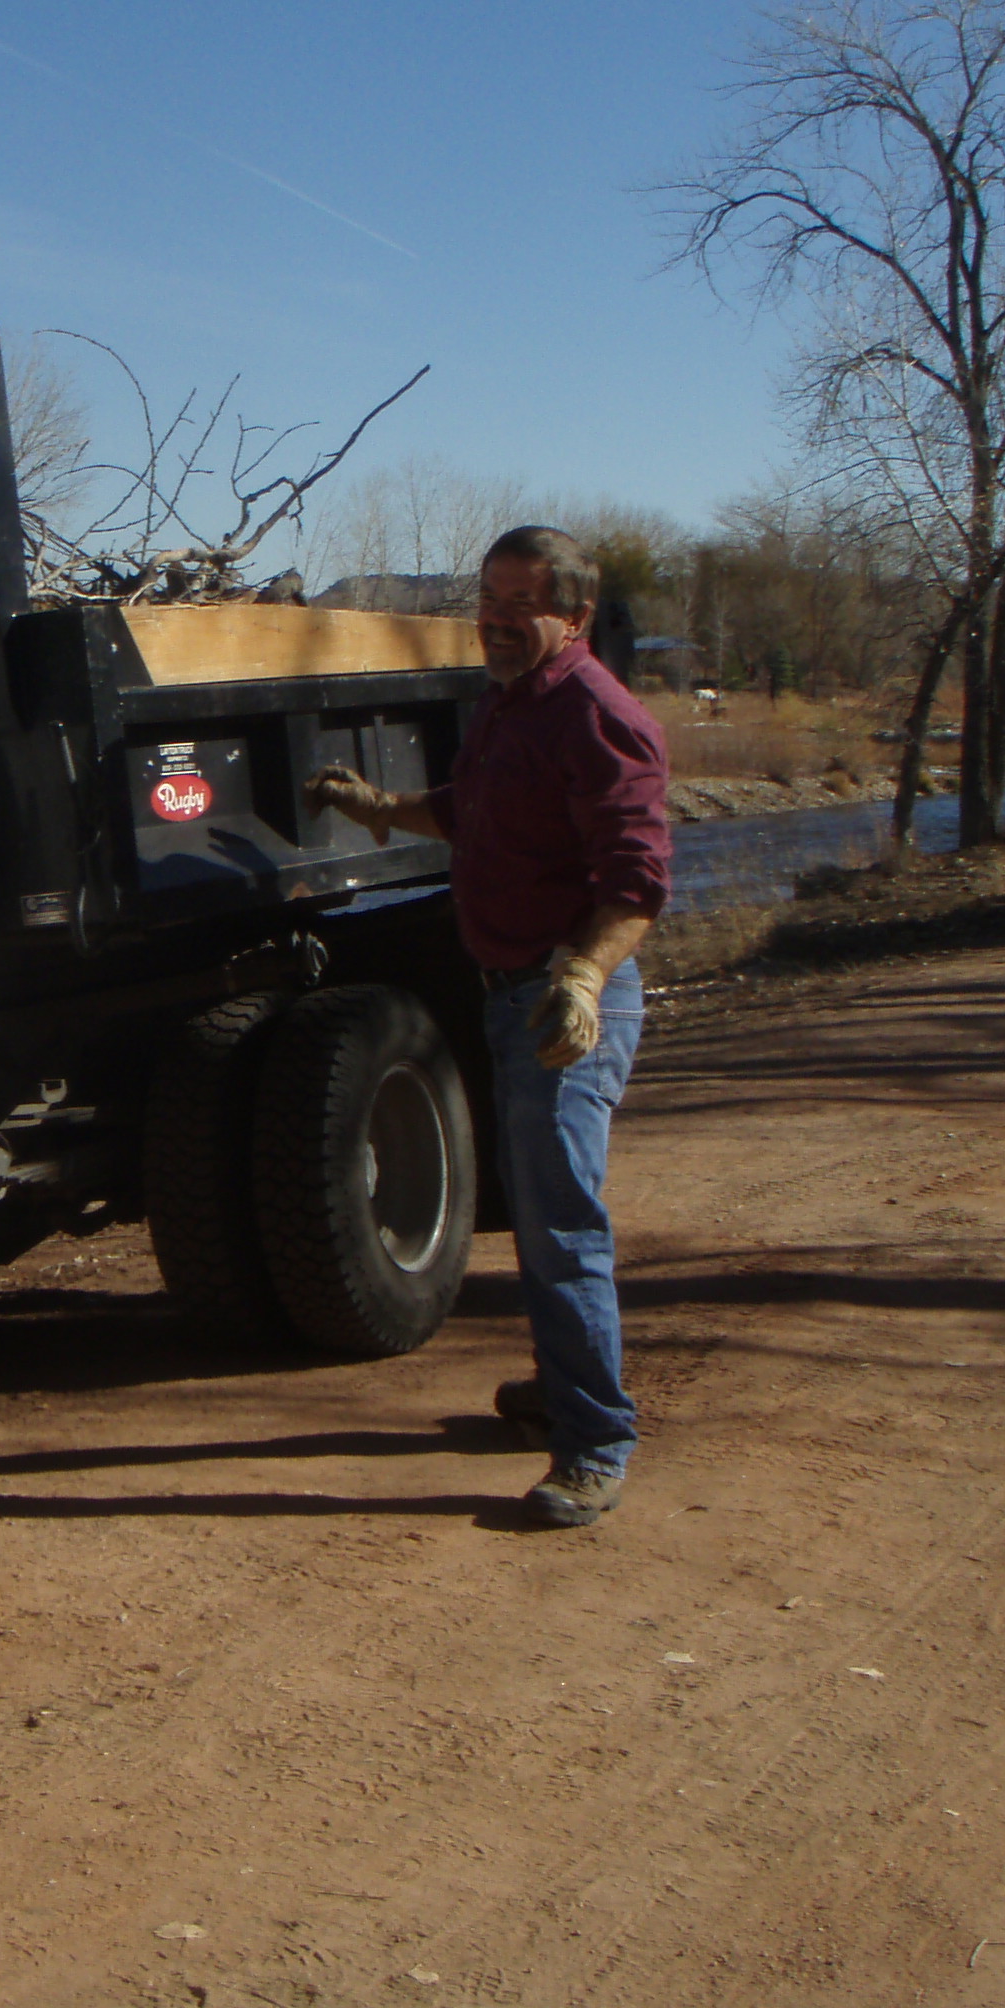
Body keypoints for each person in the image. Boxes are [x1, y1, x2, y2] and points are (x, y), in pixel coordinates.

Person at [304, 526, 670, 1529]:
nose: (497, 624)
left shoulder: (599, 716)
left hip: (564, 1006)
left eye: (522, 607)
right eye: (489, 603)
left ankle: (594, 1446)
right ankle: (561, 1391)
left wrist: (584, 976)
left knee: (562, 1223)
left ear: (576, 616)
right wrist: (384, 807)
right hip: (508, 994)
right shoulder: (513, 703)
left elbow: (638, 883)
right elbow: (477, 809)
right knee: (542, 1211)